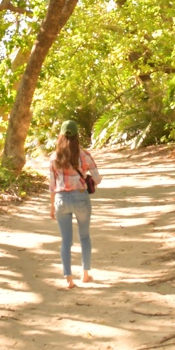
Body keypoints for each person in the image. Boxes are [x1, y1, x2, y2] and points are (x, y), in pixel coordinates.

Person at [49, 120, 102, 289]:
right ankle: (85, 274)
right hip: (80, 198)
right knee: (84, 236)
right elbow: (98, 178)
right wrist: (87, 180)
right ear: (77, 136)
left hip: (60, 200)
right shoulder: (83, 155)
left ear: (61, 136)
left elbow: (52, 186)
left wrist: (52, 206)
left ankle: (69, 279)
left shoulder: (54, 157)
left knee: (66, 241)